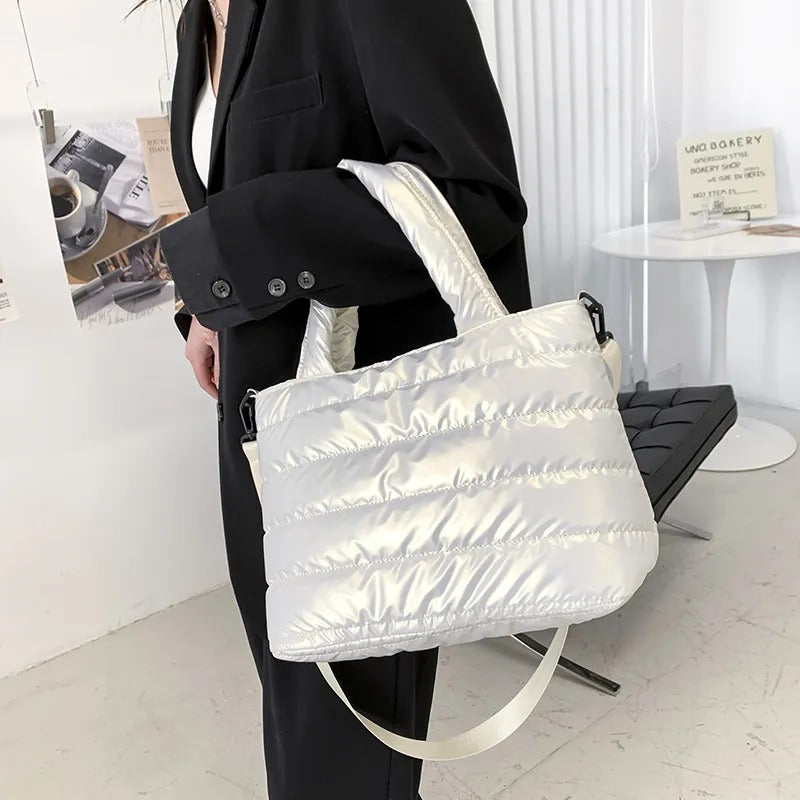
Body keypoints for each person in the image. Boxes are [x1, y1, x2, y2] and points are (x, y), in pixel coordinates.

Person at [156, 0, 530, 797]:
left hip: (369, 434)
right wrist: (206, 311)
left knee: (349, 736)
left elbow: (474, 194)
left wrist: (238, 244)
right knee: (293, 688)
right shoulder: (194, 22)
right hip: (256, 426)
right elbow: (226, 184)